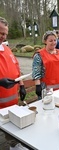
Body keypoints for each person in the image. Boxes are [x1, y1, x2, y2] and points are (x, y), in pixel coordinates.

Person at [0, 17, 27, 150]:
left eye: (5, 34)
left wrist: (21, 84)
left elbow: (16, 68)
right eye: (0, 33)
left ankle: (13, 145)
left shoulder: (6, 49)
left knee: (12, 129)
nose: (3, 36)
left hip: (11, 102)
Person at [32, 31, 59, 99]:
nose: (53, 42)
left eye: (55, 40)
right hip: (48, 91)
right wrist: (38, 86)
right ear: (45, 41)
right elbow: (36, 72)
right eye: (50, 41)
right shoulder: (39, 55)